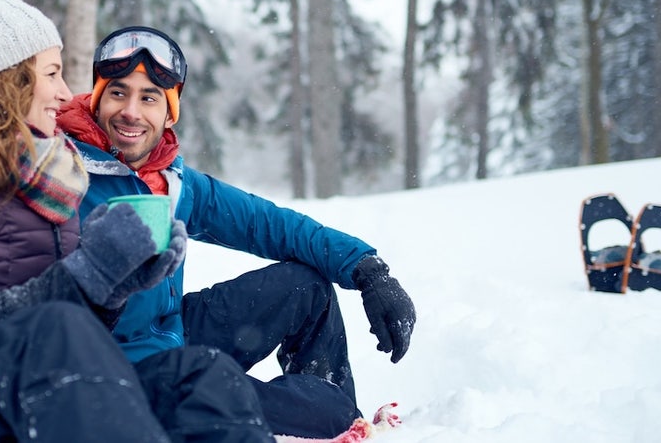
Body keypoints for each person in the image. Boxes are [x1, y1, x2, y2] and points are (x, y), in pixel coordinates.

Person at [0, 0, 275, 443]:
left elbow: (74, 329)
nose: (62, 91)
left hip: (25, 394)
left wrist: (116, 286)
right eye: (51, 73)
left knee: (198, 377)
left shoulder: (49, 179)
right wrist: (90, 271)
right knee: (56, 327)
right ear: (6, 81)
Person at [56, 25, 417, 440]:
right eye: (118, 92)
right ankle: (324, 422)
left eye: (149, 98)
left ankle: (325, 413)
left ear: (169, 112)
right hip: (126, 378)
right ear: (99, 98)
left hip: (174, 334)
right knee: (327, 416)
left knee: (304, 287)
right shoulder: (62, 174)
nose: (131, 112)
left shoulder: (170, 179)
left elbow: (267, 223)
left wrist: (367, 269)